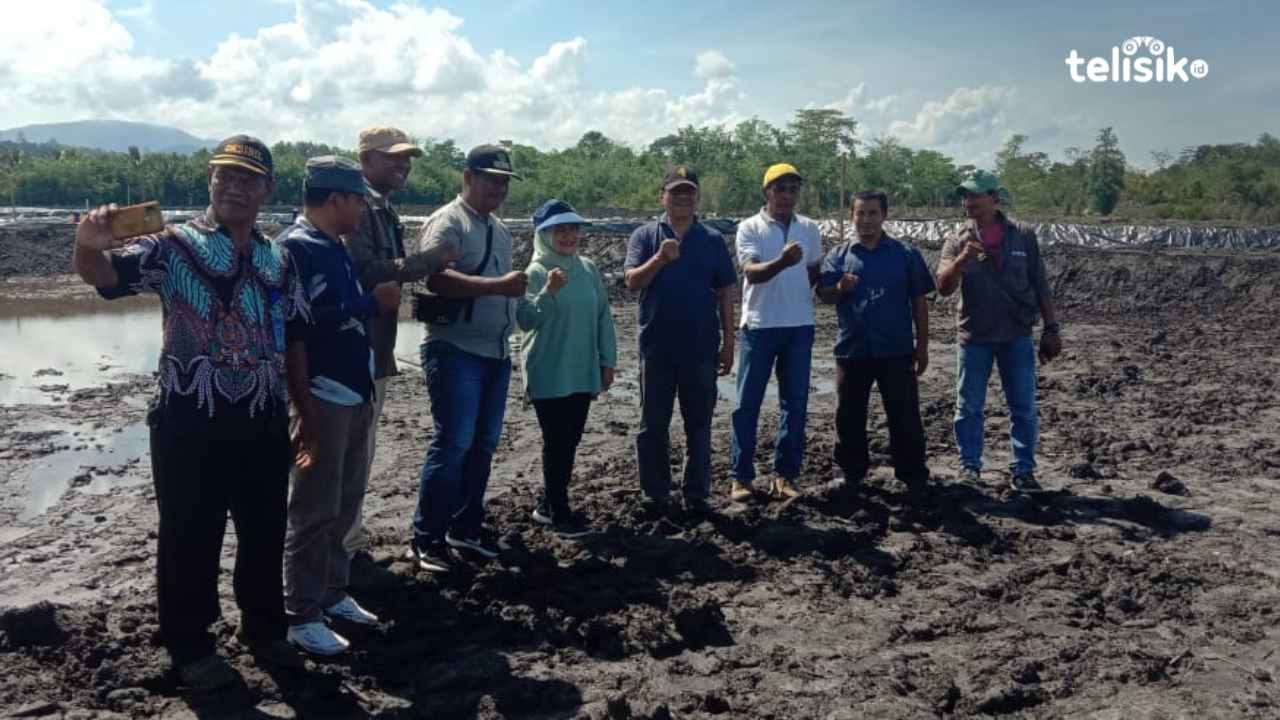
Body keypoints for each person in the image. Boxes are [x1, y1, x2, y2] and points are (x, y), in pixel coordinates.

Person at [71, 136, 302, 688]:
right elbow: (106, 277)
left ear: (267, 189)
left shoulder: (278, 256)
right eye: (224, 175)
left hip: (263, 416)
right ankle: (191, 645)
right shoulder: (173, 245)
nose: (234, 186)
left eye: (247, 178)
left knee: (265, 531)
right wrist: (86, 245)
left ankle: (266, 631)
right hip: (189, 418)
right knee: (188, 535)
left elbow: (293, 335)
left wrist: (305, 411)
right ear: (209, 181)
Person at [277, 156, 402, 655]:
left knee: (344, 504)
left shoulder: (334, 246)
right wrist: (371, 304)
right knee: (313, 509)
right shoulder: (295, 249)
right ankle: (300, 611)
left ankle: (332, 592)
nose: (363, 212)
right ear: (337, 200)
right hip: (323, 395)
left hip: (354, 392)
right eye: (358, 202)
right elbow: (295, 324)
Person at [408, 144, 526, 573]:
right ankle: (427, 538)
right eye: (490, 178)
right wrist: (496, 288)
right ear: (468, 177)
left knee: (482, 445)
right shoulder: (448, 221)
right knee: (453, 443)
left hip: (495, 352)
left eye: (503, 181)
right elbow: (434, 278)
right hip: (455, 350)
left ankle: (465, 527)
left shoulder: (501, 228)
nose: (498, 187)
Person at [341, 126, 456, 555]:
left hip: (375, 346)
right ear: (366, 159)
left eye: (406, 157)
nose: (403, 164)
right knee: (347, 454)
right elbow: (367, 269)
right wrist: (431, 260)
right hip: (355, 347)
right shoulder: (356, 205)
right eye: (393, 157)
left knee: (360, 451)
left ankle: (348, 541)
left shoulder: (381, 206)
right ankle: (341, 547)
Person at [936, 170, 1063, 491]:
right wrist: (962, 260)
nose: (969, 202)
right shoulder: (956, 240)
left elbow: (1040, 285)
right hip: (974, 336)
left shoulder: (1022, 235)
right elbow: (943, 286)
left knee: (1022, 406)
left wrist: (1051, 327)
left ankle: (1023, 470)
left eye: (976, 195)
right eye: (965, 196)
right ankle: (969, 468)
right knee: (969, 407)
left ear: (995, 197)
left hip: (1016, 334)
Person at [623, 165, 736, 516]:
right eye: (676, 192)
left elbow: (725, 293)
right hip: (656, 348)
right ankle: (656, 493)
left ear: (697, 197)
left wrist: (730, 342)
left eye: (689, 192)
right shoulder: (644, 236)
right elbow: (632, 282)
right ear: (663, 196)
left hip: (701, 348)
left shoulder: (713, 240)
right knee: (652, 425)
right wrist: (660, 258)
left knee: (699, 425)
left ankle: (696, 493)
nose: (683, 198)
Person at [818, 190, 935, 493]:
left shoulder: (905, 255)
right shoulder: (839, 256)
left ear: (884, 216)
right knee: (848, 415)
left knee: (904, 414)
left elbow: (919, 302)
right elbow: (824, 295)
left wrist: (922, 346)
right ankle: (851, 473)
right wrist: (840, 288)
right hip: (852, 350)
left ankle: (912, 473)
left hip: (895, 350)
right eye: (860, 213)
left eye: (872, 213)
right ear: (852, 215)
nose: (866, 220)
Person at [516, 199, 618, 538]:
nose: (568, 235)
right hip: (548, 367)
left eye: (573, 228)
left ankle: (548, 503)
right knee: (556, 440)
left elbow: (604, 317)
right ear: (543, 234)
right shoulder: (534, 272)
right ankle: (559, 512)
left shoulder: (587, 268)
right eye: (559, 230)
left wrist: (607, 360)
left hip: (581, 368)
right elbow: (525, 319)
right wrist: (549, 291)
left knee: (570, 441)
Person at [729, 163, 822, 502]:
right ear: (766, 192)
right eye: (779, 188)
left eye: (792, 189)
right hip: (759, 325)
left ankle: (784, 475)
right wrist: (782, 263)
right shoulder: (749, 228)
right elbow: (751, 273)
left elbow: (813, 272)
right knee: (746, 404)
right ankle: (741, 477)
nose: (786, 195)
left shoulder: (810, 229)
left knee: (795, 404)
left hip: (799, 326)